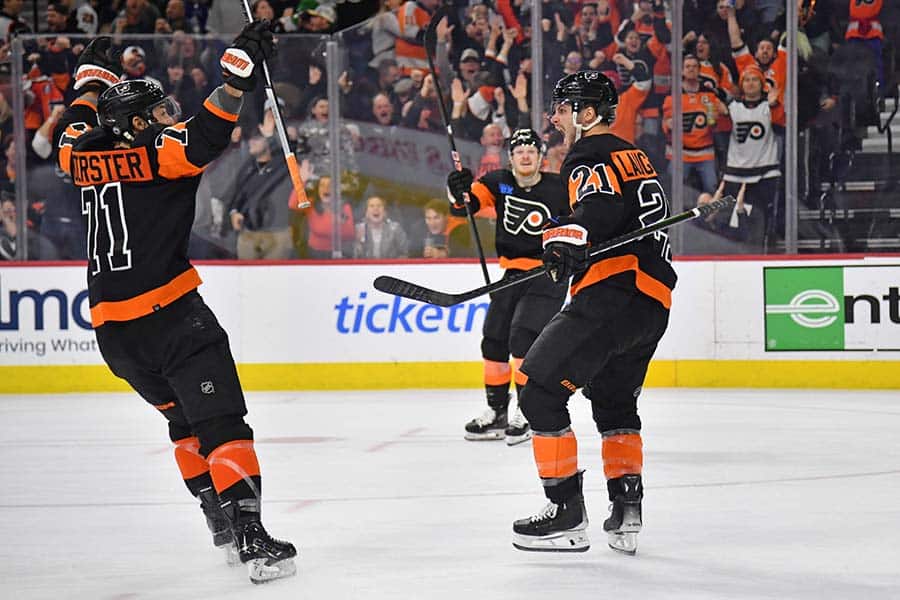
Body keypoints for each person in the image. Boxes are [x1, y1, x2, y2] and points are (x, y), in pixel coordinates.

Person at [54, 26, 297, 583]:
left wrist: (90, 80)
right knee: (222, 423)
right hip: (172, 318)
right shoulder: (156, 154)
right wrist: (237, 75)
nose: (169, 116)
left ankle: (217, 518)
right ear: (138, 125)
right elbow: (207, 135)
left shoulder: (81, 158)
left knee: (182, 423)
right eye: (160, 111)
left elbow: (74, 127)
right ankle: (253, 538)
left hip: (114, 335)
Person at [510, 71, 675, 555]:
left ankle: (565, 512)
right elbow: (615, 212)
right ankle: (627, 508)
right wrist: (572, 236)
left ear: (587, 114)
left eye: (562, 108)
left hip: (612, 293)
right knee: (614, 401)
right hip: (651, 304)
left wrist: (570, 237)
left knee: (538, 389)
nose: (554, 117)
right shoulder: (635, 154)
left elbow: (598, 208)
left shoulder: (588, 153)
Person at [447, 128, 568, 446]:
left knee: (523, 335)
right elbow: (464, 207)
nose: (525, 155)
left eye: (531, 150)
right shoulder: (497, 182)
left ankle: (527, 410)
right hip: (512, 273)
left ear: (540, 156)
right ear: (510, 157)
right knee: (494, 337)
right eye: (519, 151)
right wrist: (455, 190)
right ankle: (497, 411)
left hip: (548, 273)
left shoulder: (560, 186)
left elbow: (583, 220)